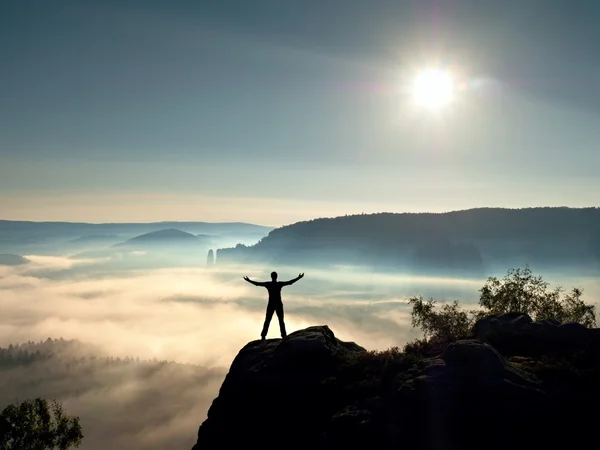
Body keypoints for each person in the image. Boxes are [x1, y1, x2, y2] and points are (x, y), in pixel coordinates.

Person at [243, 271, 304, 340]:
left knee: (268, 320)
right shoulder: (278, 284)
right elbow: (290, 282)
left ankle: (264, 336)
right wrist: (299, 277)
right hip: (278, 304)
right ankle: (283, 335)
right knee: (280, 320)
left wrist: (249, 280)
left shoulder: (269, 284)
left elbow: (257, 284)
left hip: (272, 304)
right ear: (276, 277)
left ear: (271, 276)